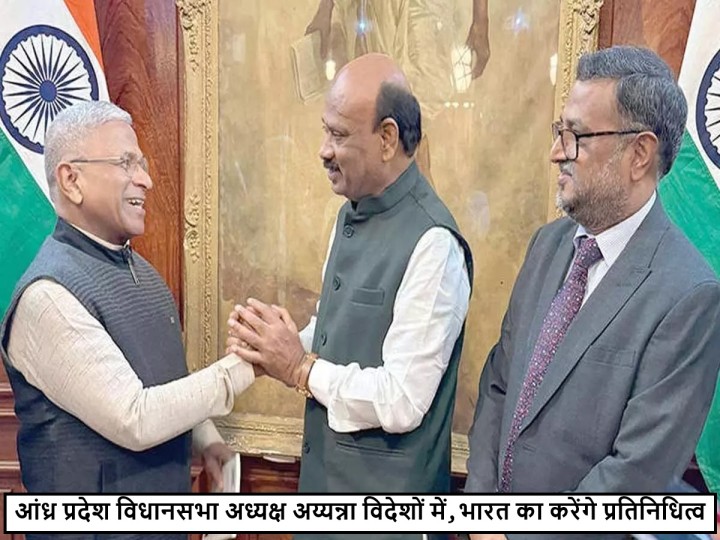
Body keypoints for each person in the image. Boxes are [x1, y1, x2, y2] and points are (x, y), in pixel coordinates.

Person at [465, 46, 720, 540]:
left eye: (577, 136)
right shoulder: (547, 246)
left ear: (639, 154)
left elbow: (635, 476)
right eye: (559, 132)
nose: (557, 152)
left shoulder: (689, 295)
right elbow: (499, 384)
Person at [227, 53, 473, 540]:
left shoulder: (434, 243)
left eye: (338, 135)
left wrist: (299, 367)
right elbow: (337, 331)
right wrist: (273, 346)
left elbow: (401, 400)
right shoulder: (350, 215)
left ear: (387, 139)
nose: (323, 150)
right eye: (326, 131)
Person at [0, 102, 256, 518]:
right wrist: (252, 363)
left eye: (142, 164)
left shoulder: (145, 274)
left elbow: (166, 381)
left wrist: (206, 439)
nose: (146, 180)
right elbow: (135, 418)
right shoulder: (47, 297)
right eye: (126, 163)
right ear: (71, 180)